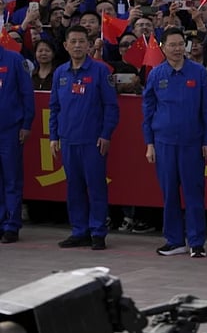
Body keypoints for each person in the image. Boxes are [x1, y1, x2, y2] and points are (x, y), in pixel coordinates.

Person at [142, 26, 207, 259]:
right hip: (163, 143)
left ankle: (196, 241)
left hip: (192, 143)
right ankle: (175, 241)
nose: (176, 49)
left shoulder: (198, 73)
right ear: (162, 48)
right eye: (171, 45)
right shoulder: (155, 75)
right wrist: (149, 143)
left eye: (179, 44)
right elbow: (148, 112)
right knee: (169, 193)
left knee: (194, 192)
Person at [48, 25, 119, 251]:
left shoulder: (100, 71)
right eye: (73, 42)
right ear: (66, 46)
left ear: (89, 45)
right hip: (68, 140)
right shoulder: (60, 73)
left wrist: (105, 134)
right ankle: (79, 231)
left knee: (96, 187)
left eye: (82, 42)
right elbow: (54, 107)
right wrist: (53, 136)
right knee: (74, 187)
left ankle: (98, 232)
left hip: (93, 141)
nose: (78, 46)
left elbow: (111, 107)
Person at [0, 43, 34, 244]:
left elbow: (27, 94)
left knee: (11, 179)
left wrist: (26, 124)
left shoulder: (14, 60)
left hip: (10, 130)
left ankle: (11, 225)